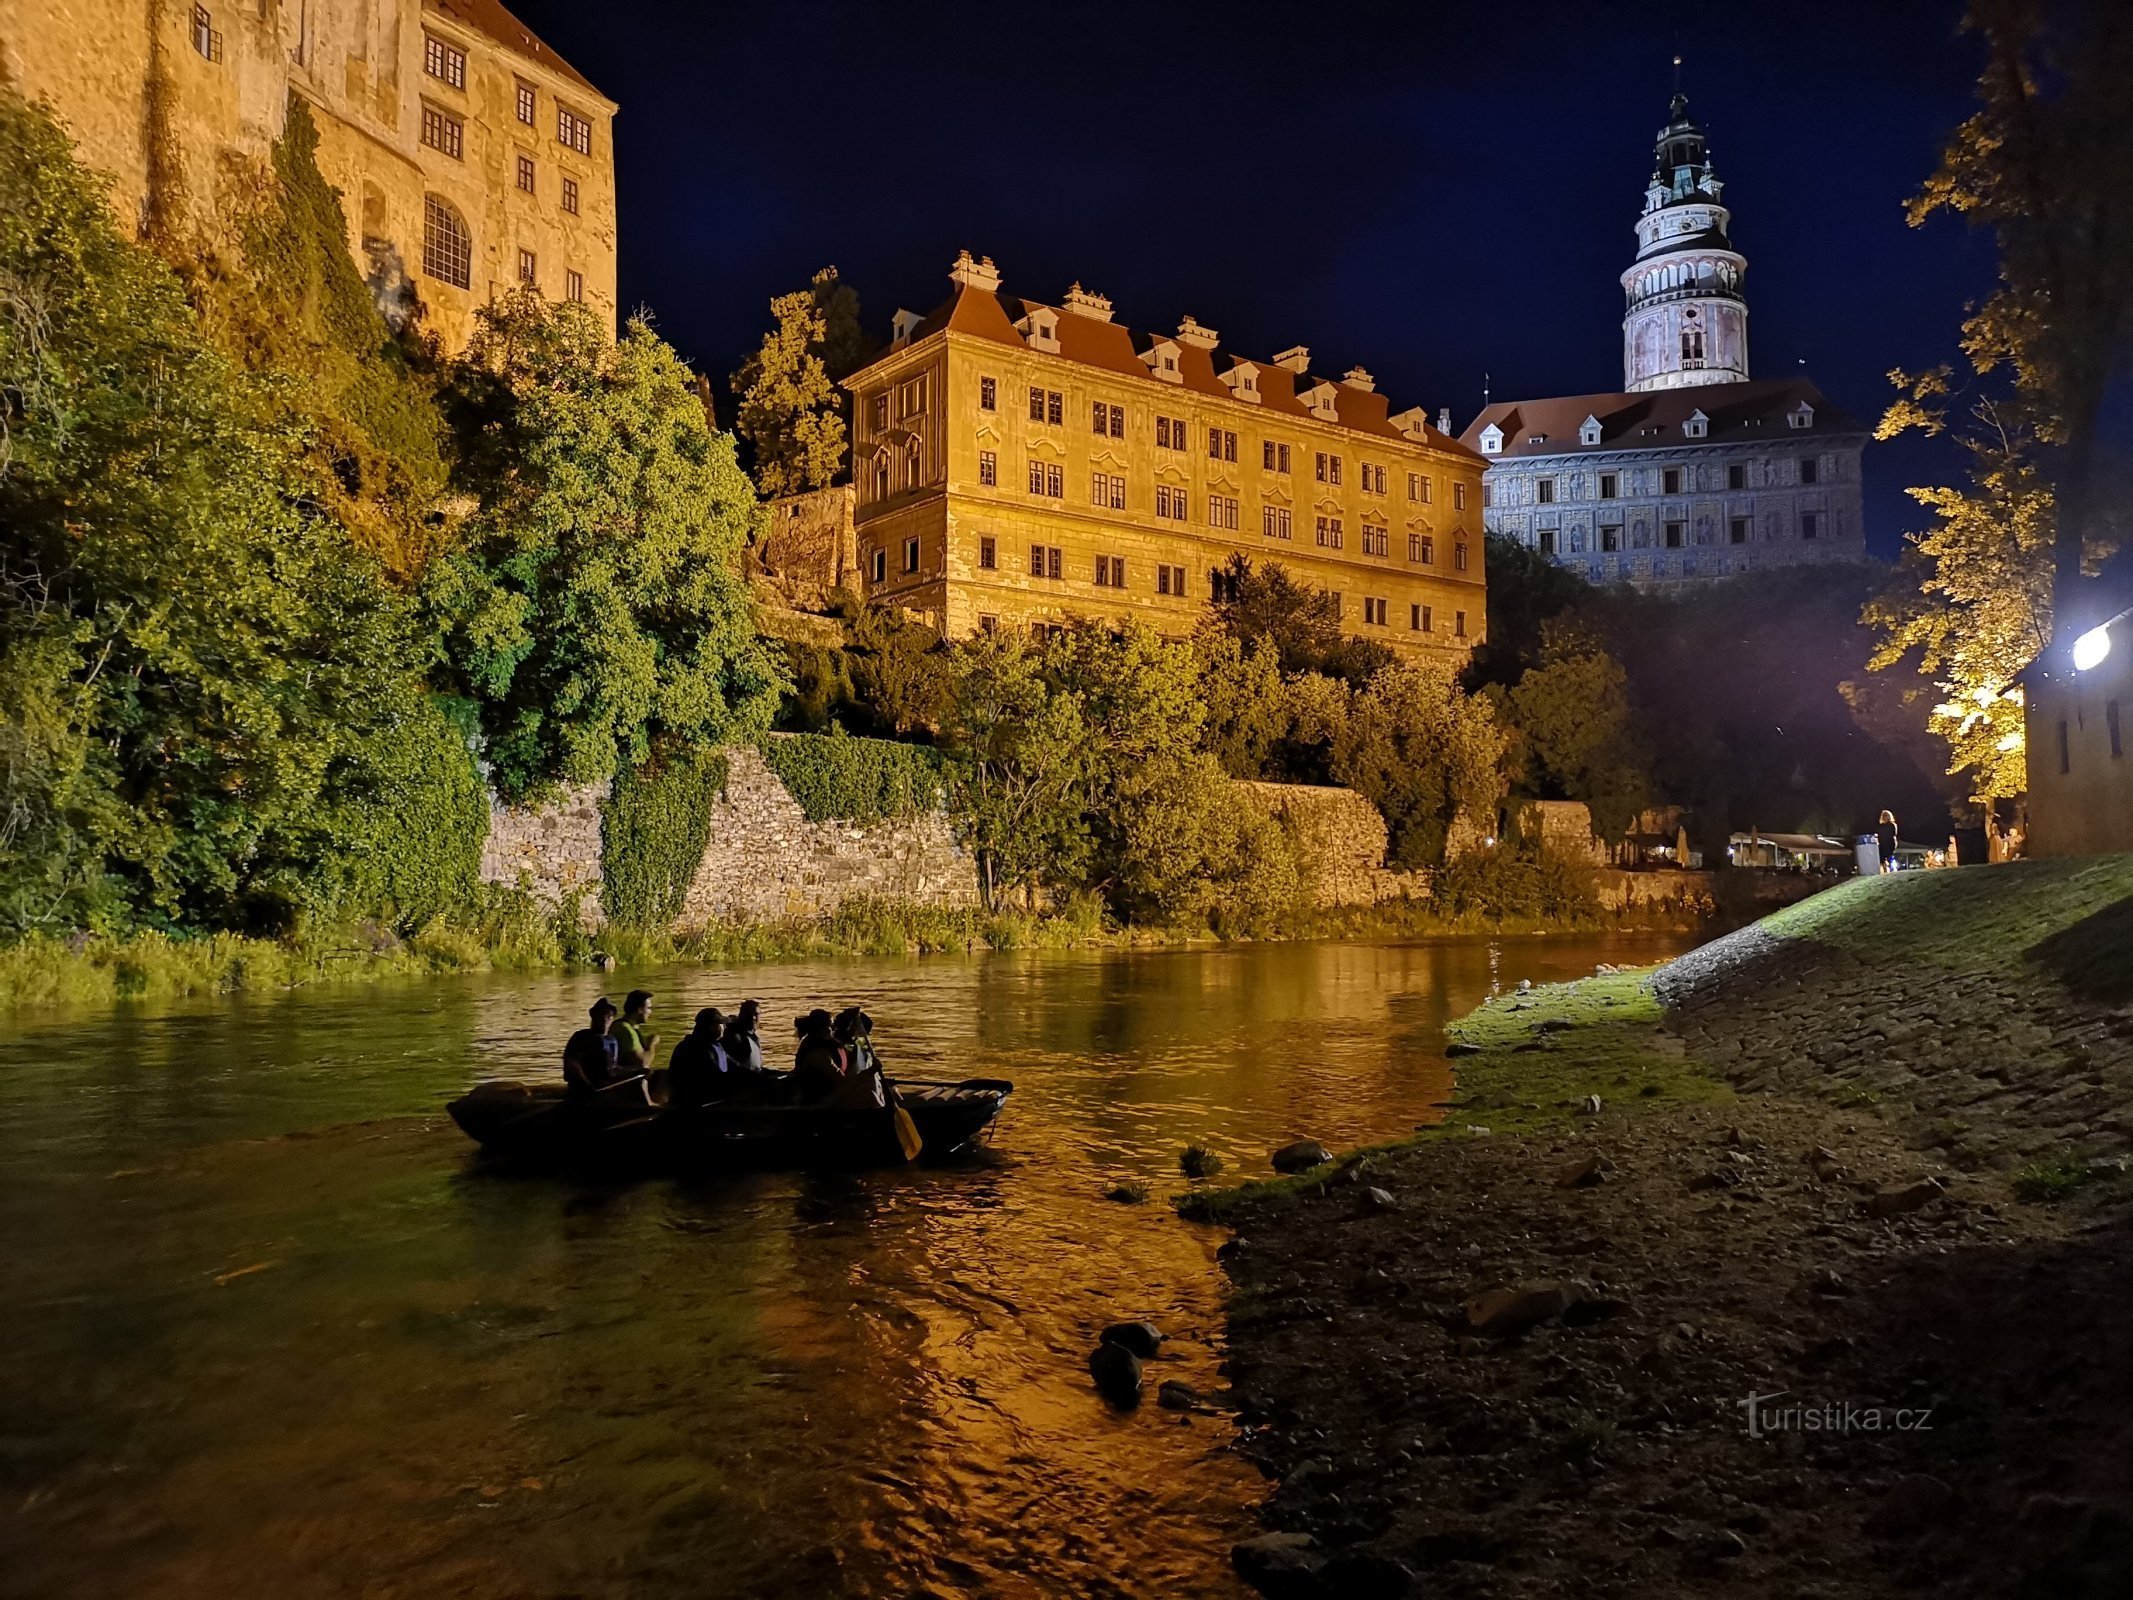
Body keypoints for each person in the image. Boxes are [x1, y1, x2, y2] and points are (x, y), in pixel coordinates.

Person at [667, 1008, 729, 1108]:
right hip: (695, 1103)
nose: (723, 1027)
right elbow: (717, 1076)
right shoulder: (695, 1049)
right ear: (711, 1027)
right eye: (720, 1024)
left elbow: (734, 1066)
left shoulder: (714, 1046)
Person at [562, 998, 619, 1097]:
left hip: (607, 1087)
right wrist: (586, 1085)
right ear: (593, 1017)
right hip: (584, 1090)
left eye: (609, 1016)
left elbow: (613, 1068)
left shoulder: (612, 1040)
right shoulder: (581, 1037)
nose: (604, 1019)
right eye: (600, 1016)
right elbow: (572, 1064)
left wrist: (635, 1071)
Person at [789, 1008, 848, 1103]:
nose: (834, 1029)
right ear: (823, 1029)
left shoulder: (813, 1043)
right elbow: (839, 1080)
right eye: (831, 1025)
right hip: (820, 1100)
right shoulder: (818, 1054)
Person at [615, 989, 661, 1073]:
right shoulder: (625, 1030)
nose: (650, 1012)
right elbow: (642, 1063)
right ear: (640, 1009)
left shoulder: (626, 1026)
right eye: (648, 1008)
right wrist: (652, 1045)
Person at [722, 1000, 766, 1075]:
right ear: (742, 1015)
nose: (753, 1017)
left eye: (756, 1014)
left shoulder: (753, 1037)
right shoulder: (734, 1036)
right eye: (749, 1014)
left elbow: (756, 1067)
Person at [1876, 810, 1900, 874]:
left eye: (1887, 815)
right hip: (1882, 844)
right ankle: (1885, 871)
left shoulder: (1892, 825)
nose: (1885, 817)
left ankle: (1892, 870)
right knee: (1882, 859)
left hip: (1889, 843)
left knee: (1890, 857)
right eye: (1884, 816)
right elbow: (1878, 834)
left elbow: (1893, 834)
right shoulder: (1880, 826)